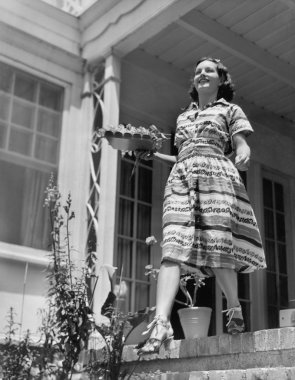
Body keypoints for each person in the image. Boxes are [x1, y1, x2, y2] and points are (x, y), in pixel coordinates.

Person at [137, 57, 266, 355]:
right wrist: (153, 155)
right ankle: (161, 322)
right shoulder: (183, 117)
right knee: (171, 248)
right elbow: (182, 155)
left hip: (217, 179)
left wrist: (244, 149)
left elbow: (240, 141)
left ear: (221, 79)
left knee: (218, 246)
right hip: (181, 180)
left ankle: (234, 308)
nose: (202, 74)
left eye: (208, 70)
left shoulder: (230, 110)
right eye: (197, 71)